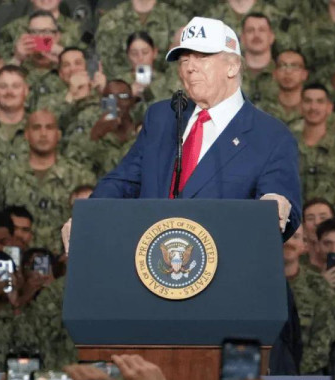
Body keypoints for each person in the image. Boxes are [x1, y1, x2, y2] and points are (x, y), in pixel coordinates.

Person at [70, 16, 301, 243]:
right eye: (184, 60)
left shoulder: (270, 136)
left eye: (201, 57)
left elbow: (280, 204)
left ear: (232, 66)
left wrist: (276, 204)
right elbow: (123, 182)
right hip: (151, 259)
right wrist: (86, 218)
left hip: (225, 262)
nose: (190, 67)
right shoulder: (162, 117)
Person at [0, 110, 95, 250]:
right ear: (26, 134)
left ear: (58, 134)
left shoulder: (81, 177)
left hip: (66, 255)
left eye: (49, 127)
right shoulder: (5, 174)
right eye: (36, 128)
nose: (43, 134)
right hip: (17, 256)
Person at [292, 83, 335, 200]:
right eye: (308, 101)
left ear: (329, 107)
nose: (313, 107)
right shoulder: (287, 143)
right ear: (300, 106)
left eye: (320, 101)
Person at [259, 49, 309, 125]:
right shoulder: (261, 110)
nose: (288, 71)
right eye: (282, 66)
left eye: (294, 66)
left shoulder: (313, 109)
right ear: (274, 74)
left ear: (304, 74)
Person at [239, 12, 279, 107]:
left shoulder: (282, 73)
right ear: (242, 38)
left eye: (262, 30)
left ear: (271, 37)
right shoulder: (231, 73)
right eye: (250, 30)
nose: (256, 35)